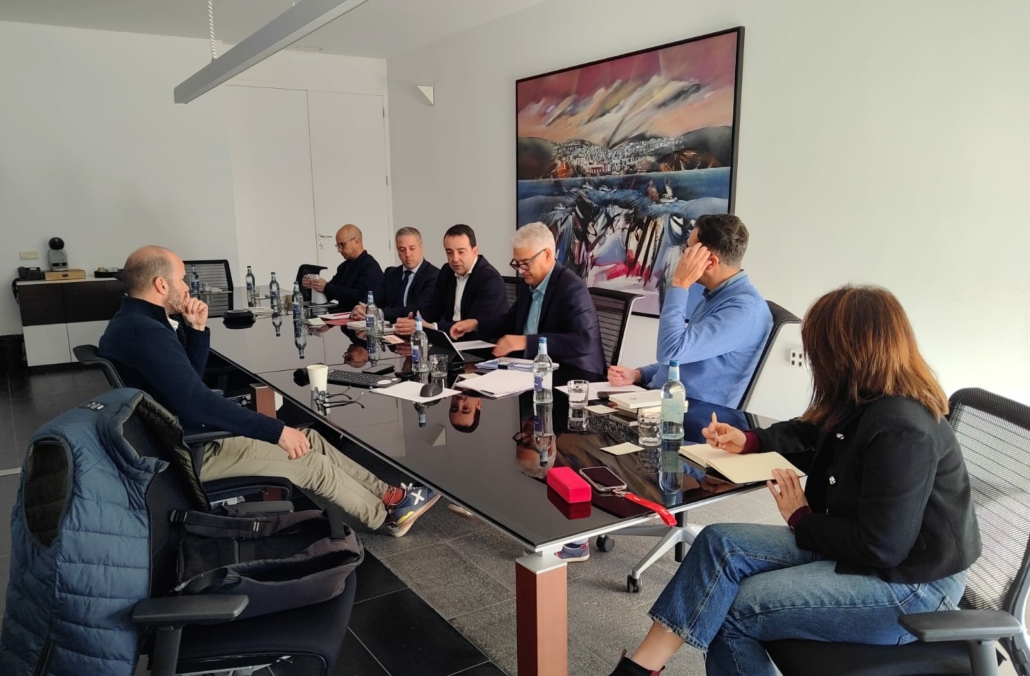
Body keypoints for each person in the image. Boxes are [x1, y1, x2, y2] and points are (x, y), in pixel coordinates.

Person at [610, 285, 982, 676]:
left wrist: (800, 518)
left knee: (733, 610)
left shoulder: (902, 430)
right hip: (866, 550)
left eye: (817, 351)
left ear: (846, 354)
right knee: (717, 542)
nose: (812, 361)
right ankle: (639, 670)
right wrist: (750, 441)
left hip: (911, 587)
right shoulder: (863, 401)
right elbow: (809, 433)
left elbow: (881, 547)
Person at [100, 246, 439, 538]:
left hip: (185, 436)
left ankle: (391, 496)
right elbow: (196, 401)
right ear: (161, 284)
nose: (187, 286)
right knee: (307, 463)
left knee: (310, 439)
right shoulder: (146, 333)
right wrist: (275, 431)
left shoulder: (137, 322)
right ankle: (386, 517)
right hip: (184, 454)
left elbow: (190, 383)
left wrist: (197, 330)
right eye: (182, 279)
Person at [607, 214, 772, 408]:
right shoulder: (718, 296)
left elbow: (671, 352)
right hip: (660, 398)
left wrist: (680, 284)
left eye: (687, 250)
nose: (682, 256)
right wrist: (639, 374)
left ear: (710, 262)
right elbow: (683, 358)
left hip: (688, 414)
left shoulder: (742, 310)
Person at [449, 222, 606, 375]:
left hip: (573, 375)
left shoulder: (571, 287)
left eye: (525, 263)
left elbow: (584, 341)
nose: (521, 270)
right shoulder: (530, 282)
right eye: (517, 264)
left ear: (547, 255)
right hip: (530, 369)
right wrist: (475, 324)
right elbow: (511, 321)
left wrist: (524, 341)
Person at [395, 224, 508, 340]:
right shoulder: (447, 271)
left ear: (475, 251)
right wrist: (416, 320)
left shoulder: (490, 279)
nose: (455, 259)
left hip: (482, 343)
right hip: (451, 339)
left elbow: (471, 324)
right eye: (449, 252)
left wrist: (431, 327)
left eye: (461, 252)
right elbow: (434, 309)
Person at [352, 227, 439, 323]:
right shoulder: (391, 273)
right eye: (402, 249)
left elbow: (418, 308)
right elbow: (376, 299)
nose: (407, 254)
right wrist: (360, 309)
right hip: (390, 328)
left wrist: (379, 313)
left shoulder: (434, 275)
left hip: (417, 329)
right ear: (397, 250)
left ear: (421, 247)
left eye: (412, 248)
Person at [303, 224, 384, 308]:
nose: (339, 250)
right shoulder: (343, 267)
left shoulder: (370, 266)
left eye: (342, 245)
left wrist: (327, 287)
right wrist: (314, 286)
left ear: (357, 241)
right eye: (338, 246)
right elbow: (329, 293)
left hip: (360, 313)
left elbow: (361, 297)